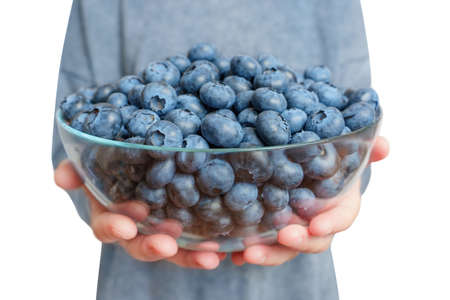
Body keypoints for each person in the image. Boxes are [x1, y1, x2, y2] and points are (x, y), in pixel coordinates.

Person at [53, 1, 389, 299]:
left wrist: (342, 193)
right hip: (143, 281)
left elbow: (349, 131)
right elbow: (76, 132)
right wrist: (92, 195)